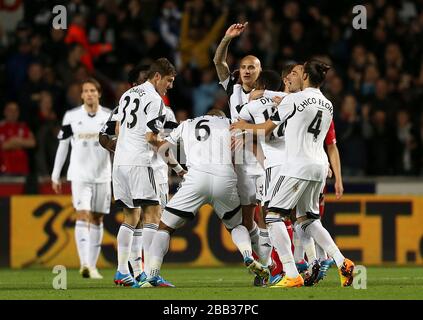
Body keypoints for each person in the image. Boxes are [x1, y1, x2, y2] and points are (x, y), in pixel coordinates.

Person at [231, 60, 355, 288]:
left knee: (272, 216)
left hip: (298, 165)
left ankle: (290, 272)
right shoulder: (328, 104)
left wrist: (243, 126)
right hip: (319, 166)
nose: (292, 76)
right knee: (308, 219)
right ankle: (342, 261)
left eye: (297, 73)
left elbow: (267, 129)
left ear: (306, 76)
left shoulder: (294, 100)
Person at [144, 109, 269, 287]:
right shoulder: (229, 123)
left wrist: (179, 169)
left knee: (164, 227)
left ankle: (153, 274)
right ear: (219, 116)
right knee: (236, 226)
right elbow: (250, 146)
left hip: (196, 178)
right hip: (224, 178)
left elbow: (162, 148)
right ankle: (248, 255)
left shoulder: (186, 124)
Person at [112, 58, 177, 287]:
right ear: (157, 77)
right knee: (153, 215)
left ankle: (122, 272)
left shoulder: (127, 95)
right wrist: (175, 162)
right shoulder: (155, 100)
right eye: (168, 81)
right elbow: (151, 138)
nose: (170, 86)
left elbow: (118, 129)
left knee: (130, 217)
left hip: (120, 163)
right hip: (141, 162)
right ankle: (151, 274)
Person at [213, 23, 269, 271]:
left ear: (260, 71)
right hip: (241, 165)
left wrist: (246, 129)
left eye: (252, 67)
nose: (246, 71)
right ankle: (266, 266)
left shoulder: (270, 95)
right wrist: (226, 38)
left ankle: (283, 265)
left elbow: (273, 129)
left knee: (270, 217)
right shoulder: (233, 88)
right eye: (244, 67)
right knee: (249, 221)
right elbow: (218, 62)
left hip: (264, 162)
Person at [51, 78, 112, 279]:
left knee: (97, 218)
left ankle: (92, 266)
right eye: (85, 91)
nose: (89, 94)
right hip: (79, 174)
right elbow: (63, 145)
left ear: (99, 93)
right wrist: (55, 173)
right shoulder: (71, 116)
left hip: (103, 175)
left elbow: (116, 147)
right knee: (82, 215)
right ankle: (84, 263)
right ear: (81, 95)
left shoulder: (109, 116)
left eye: (93, 90)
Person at [0, 101, 36, 175]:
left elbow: (32, 143)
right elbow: (4, 146)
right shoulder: (1, 127)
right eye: (10, 110)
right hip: (5, 170)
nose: (13, 113)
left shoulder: (23, 126)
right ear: (5, 112)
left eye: (16, 110)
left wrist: (14, 141)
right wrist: (21, 142)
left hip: (23, 169)